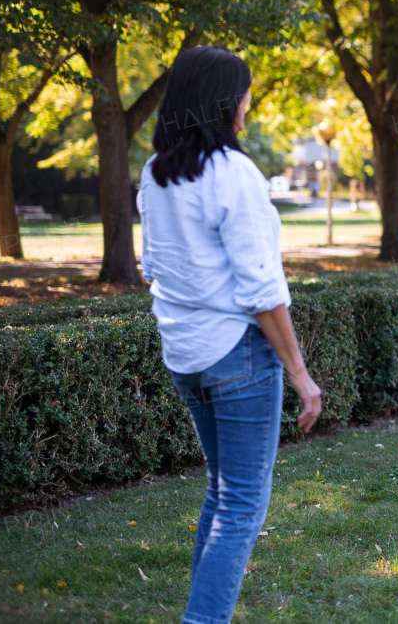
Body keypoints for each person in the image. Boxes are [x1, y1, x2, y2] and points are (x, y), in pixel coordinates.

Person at [138, 46, 323, 624]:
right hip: (237, 355)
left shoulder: (154, 174)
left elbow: (154, 269)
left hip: (185, 354)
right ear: (223, 101)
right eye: (244, 91)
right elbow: (263, 289)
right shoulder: (233, 173)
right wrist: (301, 375)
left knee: (222, 494)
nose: (249, 101)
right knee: (242, 503)